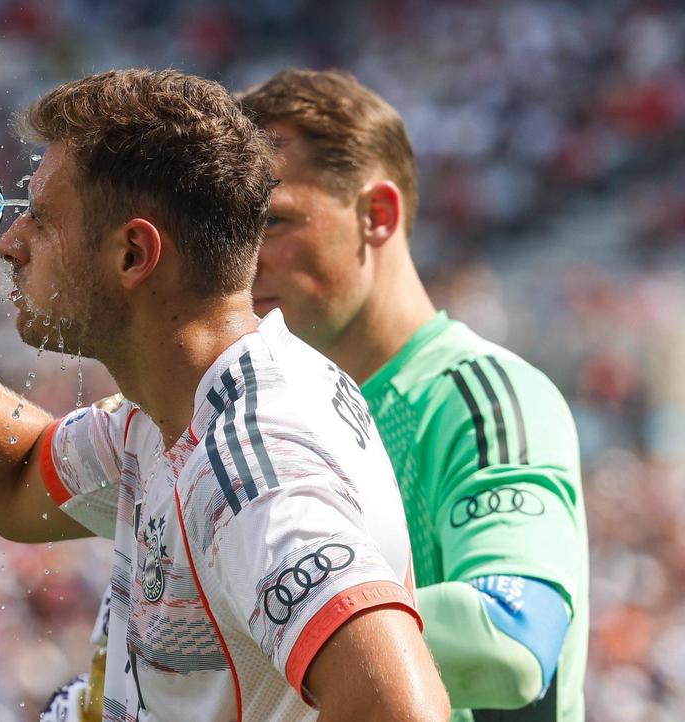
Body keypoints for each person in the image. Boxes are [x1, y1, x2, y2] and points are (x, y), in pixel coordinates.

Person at [0, 69, 450, 722]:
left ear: (134, 253)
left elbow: (399, 709)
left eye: (43, 222)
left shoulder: (252, 464)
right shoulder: (183, 405)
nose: (12, 246)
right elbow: (13, 481)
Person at [237, 69, 589, 722]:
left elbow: (513, 636)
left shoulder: (479, 395)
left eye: (274, 222)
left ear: (377, 215)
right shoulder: (266, 412)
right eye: (235, 229)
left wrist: (265, 624)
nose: (244, 256)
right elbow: (25, 488)